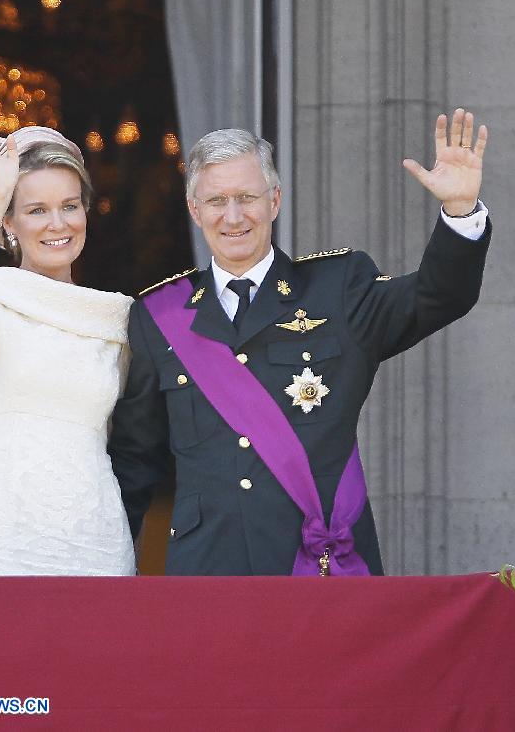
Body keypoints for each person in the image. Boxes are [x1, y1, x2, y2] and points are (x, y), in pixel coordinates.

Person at [109, 109, 490, 576]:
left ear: (275, 200)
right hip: (208, 571)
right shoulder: (158, 317)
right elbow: (134, 462)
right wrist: (108, 574)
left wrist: (459, 211)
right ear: (194, 209)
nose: (233, 217)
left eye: (247, 197)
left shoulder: (339, 288)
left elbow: (437, 297)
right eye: (216, 200)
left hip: (315, 565)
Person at [0, 117, 135, 576]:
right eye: (36, 210)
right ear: (9, 222)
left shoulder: (116, 317)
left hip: (93, 539)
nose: (57, 224)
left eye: (69, 206)